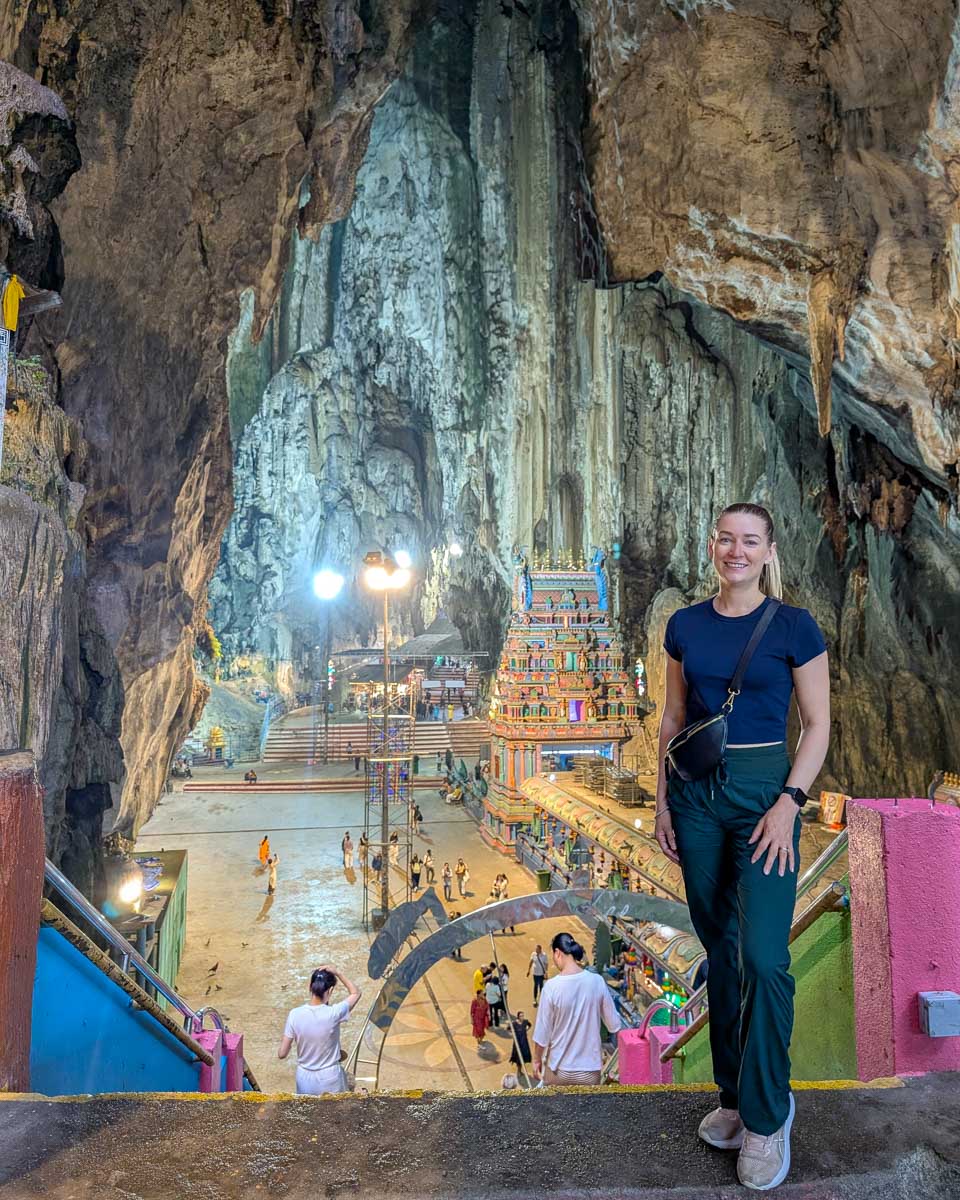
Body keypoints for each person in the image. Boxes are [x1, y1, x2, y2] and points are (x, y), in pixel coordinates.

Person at [655, 502, 829, 1193]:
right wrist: (662, 804)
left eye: (749, 540)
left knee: (763, 956)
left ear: (767, 550)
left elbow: (815, 725)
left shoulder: (794, 627)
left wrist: (792, 801)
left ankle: (767, 1113)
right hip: (696, 796)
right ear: (711, 546)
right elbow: (673, 718)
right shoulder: (684, 625)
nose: (735, 550)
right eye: (726, 539)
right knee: (719, 951)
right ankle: (731, 1096)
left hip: (765, 797)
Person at [532, 931, 621, 1086]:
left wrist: (536, 1060)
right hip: (590, 1071)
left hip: (558, 1070)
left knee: (557, 1109)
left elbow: (542, 1034)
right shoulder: (597, 982)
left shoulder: (551, 987)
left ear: (558, 953)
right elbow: (614, 1025)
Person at [278, 965, 362, 1094]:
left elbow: (282, 1054)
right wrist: (338, 972)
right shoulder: (334, 1013)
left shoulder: (294, 1014)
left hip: (304, 1079)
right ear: (330, 990)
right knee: (335, 1112)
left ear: (310, 987)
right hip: (330, 1079)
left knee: (308, 1113)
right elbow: (356, 992)